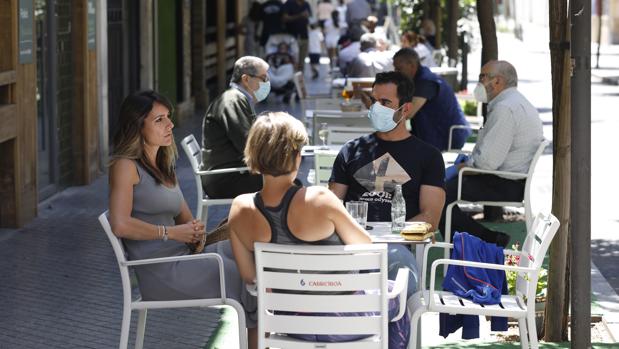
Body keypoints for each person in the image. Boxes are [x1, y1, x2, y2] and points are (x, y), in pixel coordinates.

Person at [228, 111, 412, 347]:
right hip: (348, 323)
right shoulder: (319, 199)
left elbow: (251, 277)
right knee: (398, 297)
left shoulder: (239, 208)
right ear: (295, 156)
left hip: (289, 324)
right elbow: (366, 249)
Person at [108, 90, 257, 346]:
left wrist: (195, 230)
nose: (170, 125)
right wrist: (170, 233)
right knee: (248, 277)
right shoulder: (126, 166)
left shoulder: (163, 165)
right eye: (159, 120)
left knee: (251, 256)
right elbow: (119, 224)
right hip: (161, 272)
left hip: (184, 257)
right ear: (137, 126)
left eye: (168, 117)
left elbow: (185, 218)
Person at [438, 60, 544, 247]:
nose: (479, 82)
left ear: (497, 82)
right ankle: (483, 242)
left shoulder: (506, 108)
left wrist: (459, 167)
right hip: (507, 180)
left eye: (482, 77)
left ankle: (482, 244)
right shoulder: (513, 102)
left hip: (504, 182)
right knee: (438, 191)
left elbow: (486, 163)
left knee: (436, 194)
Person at [329, 71, 446, 232]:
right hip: (353, 240)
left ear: (405, 109)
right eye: (373, 101)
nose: (376, 108)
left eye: (385, 102)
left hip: (399, 242)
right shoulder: (351, 150)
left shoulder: (429, 156)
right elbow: (332, 207)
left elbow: (430, 219)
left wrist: (390, 236)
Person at [201, 56, 270, 199]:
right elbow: (247, 143)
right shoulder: (232, 101)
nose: (267, 83)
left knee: (286, 181)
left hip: (235, 173)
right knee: (287, 185)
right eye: (263, 78)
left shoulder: (239, 98)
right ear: (246, 79)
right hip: (225, 179)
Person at [392, 48, 471, 151]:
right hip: (434, 136)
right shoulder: (421, 79)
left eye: (399, 69)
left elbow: (407, 113)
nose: (396, 72)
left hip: (444, 138)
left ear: (411, 65)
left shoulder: (426, 82)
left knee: (393, 148)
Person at [282, 0, 312, 71]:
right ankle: (292, 78)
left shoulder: (306, 4)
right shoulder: (289, 3)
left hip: (304, 36)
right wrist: (299, 15)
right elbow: (284, 18)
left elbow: (310, 18)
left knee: (302, 62)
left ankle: (300, 79)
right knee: (292, 60)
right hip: (292, 36)